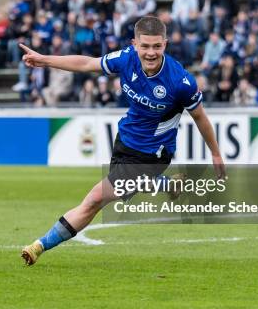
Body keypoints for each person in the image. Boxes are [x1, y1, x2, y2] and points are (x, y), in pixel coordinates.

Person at [18, 16, 226, 266]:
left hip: (152, 153)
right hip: (125, 141)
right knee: (119, 190)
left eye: (157, 46)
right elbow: (87, 63)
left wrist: (215, 153)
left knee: (95, 199)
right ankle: (167, 185)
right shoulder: (126, 59)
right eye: (145, 46)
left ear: (165, 44)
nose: (150, 53)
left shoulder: (180, 82)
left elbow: (200, 117)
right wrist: (44, 59)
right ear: (135, 44)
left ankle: (39, 245)